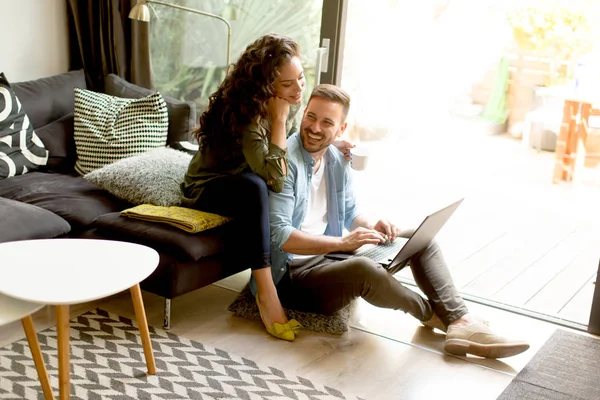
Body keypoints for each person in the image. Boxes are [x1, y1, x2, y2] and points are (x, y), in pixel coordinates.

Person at [267, 83, 530, 358]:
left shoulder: (336, 157)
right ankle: (448, 320)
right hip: (294, 276)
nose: (315, 128)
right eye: (311, 116)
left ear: (341, 129)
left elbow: (348, 212)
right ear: (303, 112)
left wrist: (372, 224)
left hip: (331, 257)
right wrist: (343, 243)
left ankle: (459, 319)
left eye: (327, 122)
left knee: (419, 238)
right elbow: (281, 236)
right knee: (363, 269)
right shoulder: (284, 160)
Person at [181, 34, 351, 342]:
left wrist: (329, 143)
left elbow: (283, 151)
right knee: (255, 186)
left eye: (300, 78)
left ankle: (282, 274)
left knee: (256, 184)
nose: (299, 88)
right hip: (206, 190)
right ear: (265, 85)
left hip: (247, 181)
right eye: (288, 84)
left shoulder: (284, 101)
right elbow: (277, 177)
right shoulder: (250, 116)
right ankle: (265, 293)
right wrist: (276, 121)